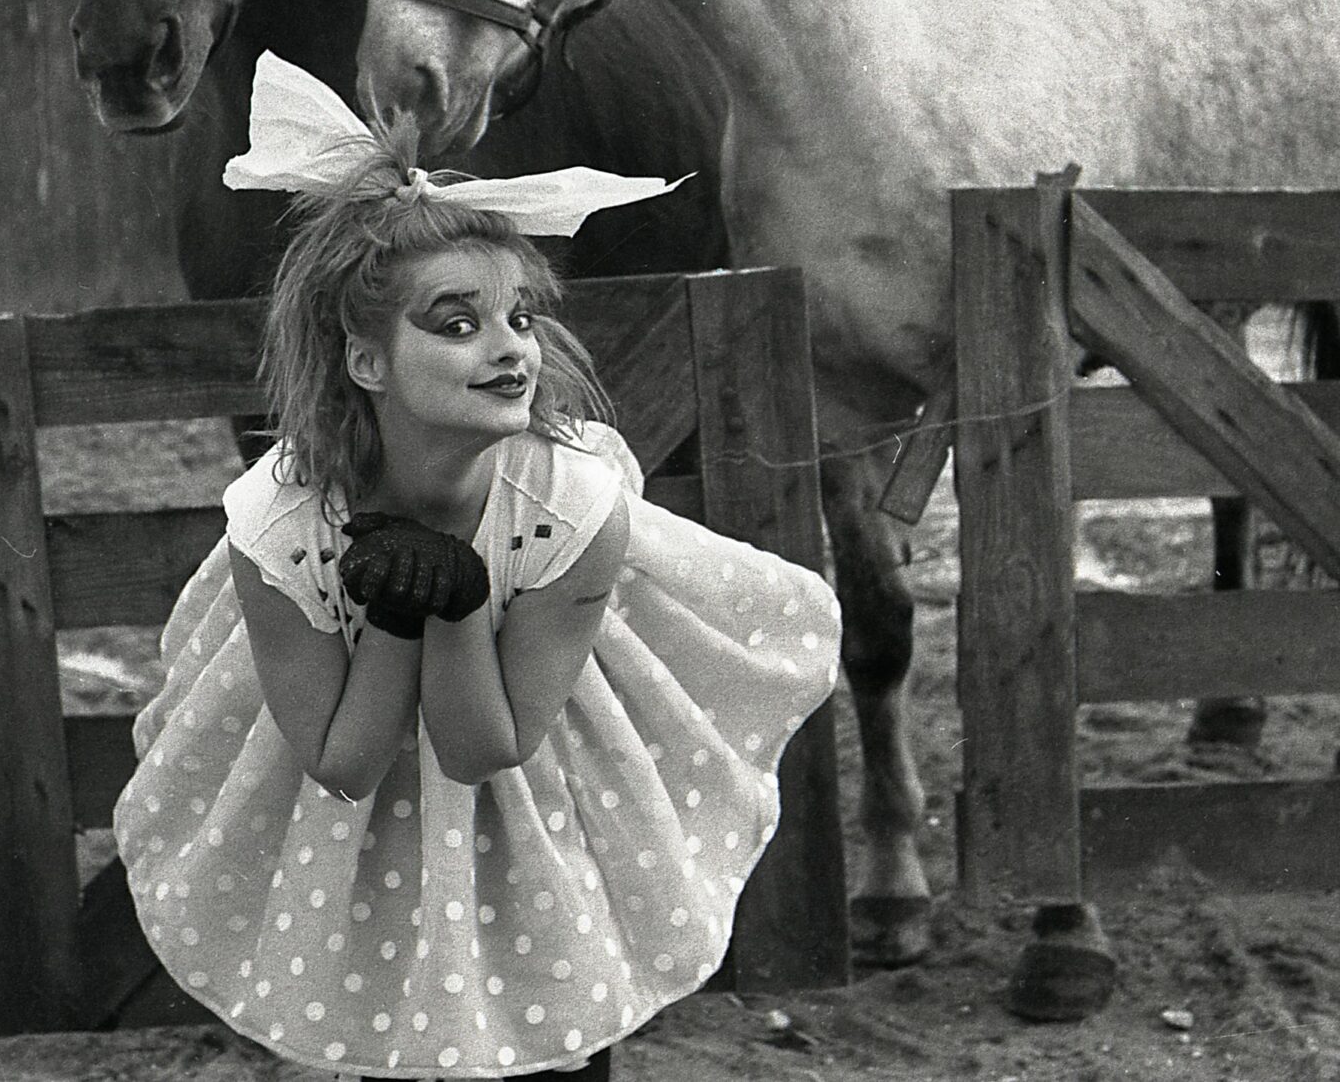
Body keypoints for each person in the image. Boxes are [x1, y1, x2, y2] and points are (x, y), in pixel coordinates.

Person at [118, 53, 842, 1080]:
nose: (509, 347)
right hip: (345, 772)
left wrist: (454, 597)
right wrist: (394, 618)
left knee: (548, 991)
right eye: (455, 322)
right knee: (389, 997)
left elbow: (482, 743)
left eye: (519, 317)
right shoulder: (280, 524)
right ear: (366, 361)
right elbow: (344, 760)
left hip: (534, 755)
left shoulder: (572, 505)